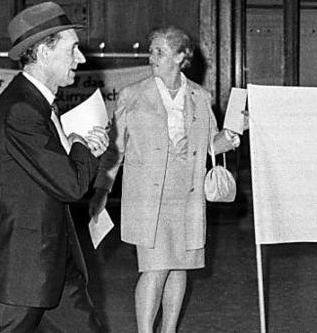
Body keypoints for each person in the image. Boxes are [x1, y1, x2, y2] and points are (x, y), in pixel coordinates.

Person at [88, 25, 242, 333]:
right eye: (151, 51)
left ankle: (169, 330)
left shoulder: (200, 97)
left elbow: (209, 145)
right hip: (149, 198)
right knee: (155, 269)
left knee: (179, 268)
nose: (151, 57)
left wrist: (230, 138)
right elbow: (115, 151)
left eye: (159, 51)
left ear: (181, 56)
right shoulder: (133, 95)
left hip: (187, 195)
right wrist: (101, 191)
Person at [0, 1, 108, 332]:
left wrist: (83, 150)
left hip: (54, 260)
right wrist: (82, 146)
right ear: (43, 52)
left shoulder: (37, 104)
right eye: (72, 49)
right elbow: (71, 185)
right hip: (24, 267)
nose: (81, 59)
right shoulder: (21, 110)